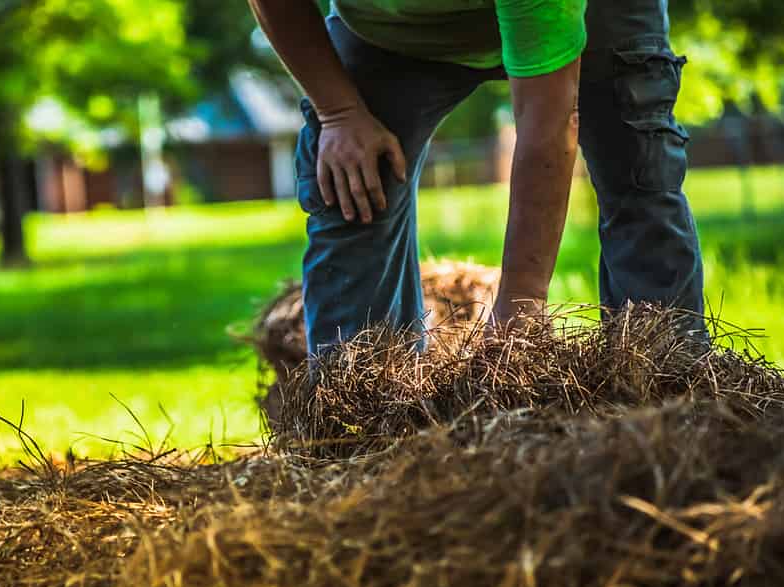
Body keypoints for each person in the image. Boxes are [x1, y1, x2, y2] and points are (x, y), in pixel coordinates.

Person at [248, 0, 705, 356]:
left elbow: (547, 125)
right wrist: (340, 113)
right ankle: (358, 435)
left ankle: (670, 396)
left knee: (637, 166)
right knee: (350, 183)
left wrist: (520, 306)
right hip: (387, 33)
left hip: (595, 14)